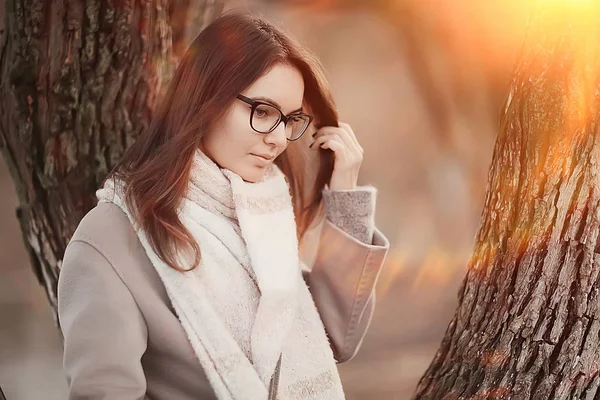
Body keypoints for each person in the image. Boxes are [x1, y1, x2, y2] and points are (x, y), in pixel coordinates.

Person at [57, 12, 389, 400]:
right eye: (263, 112)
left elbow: (332, 337)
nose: (280, 138)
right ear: (205, 100)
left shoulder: (259, 213)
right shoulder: (112, 237)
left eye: (291, 118)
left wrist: (345, 200)